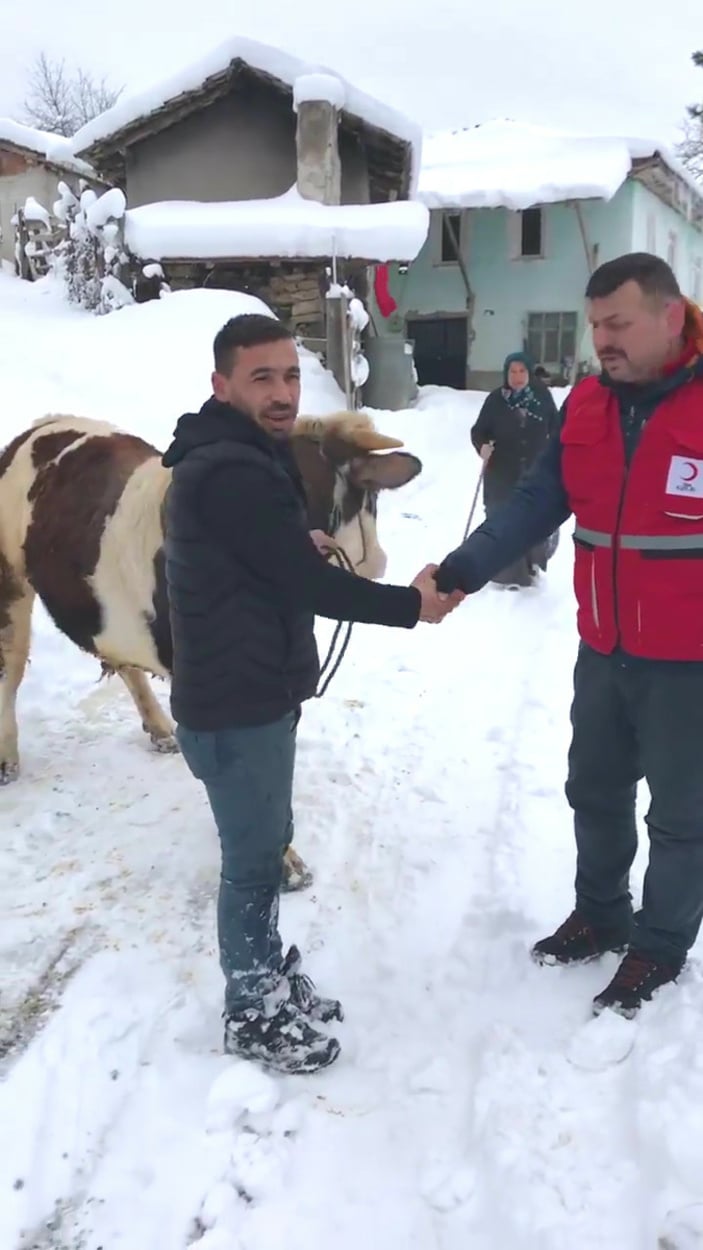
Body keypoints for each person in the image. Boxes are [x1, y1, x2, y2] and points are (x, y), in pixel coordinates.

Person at [163, 313, 462, 1074]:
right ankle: (251, 1010)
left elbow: (259, 556)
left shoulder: (237, 455)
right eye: (261, 376)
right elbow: (301, 586)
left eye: (290, 375)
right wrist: (410, 605)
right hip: (236, 706)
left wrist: (292, 540)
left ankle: (265, 974)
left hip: (250, 694)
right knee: (251, 862)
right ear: (221, 384)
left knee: (263, 847)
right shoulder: (231, 468)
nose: (281, 392)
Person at [434, 253, 703, 1018]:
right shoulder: (585, 402)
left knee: (682, 817)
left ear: (670, 316)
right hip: (604, 648)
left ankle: (659, 945)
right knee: (594, 789)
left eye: (616, 323)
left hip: (689, 664)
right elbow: (533, 504)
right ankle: (602, 912)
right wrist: (462, 567)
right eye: (594, 325)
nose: (601, 340)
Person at [470, 351, 559, 589]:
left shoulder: (542, 397)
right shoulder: (495, 401)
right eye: (512, 371)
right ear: (506, 374)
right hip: (501, 473)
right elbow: (479, 431)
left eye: (522, 371)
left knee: (534, 519)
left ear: (529, 373)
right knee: (503, 522)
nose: (517, 377)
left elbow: (558, 428)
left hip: (535, 470)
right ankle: (506, 577)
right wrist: (482, 447)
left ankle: (532, 567)